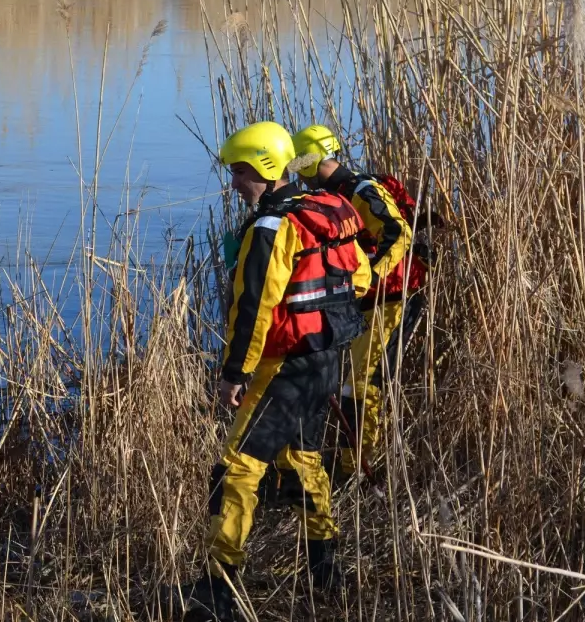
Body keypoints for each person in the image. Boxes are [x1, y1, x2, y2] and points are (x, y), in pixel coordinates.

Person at [182, 122, 372, 619]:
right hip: (325, 360)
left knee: (236, 468)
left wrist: (233, 374)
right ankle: (325, 569)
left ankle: (215, 592)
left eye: (240, 173)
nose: (234, 184)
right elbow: (364, 276)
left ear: (265, 169)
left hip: (282, 366)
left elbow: (254, 307)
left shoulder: (272, 228)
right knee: (305, 459)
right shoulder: (330, 211)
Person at [291, 124, 425, 482]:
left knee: (362, 383)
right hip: (367, 302)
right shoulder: (337, 192)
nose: (300, 177)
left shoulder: (361, 190)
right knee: (352, 381)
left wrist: (370, 280)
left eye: (301, 164)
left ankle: (358, 470)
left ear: (312, 160)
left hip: (390, 299)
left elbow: (398, 234)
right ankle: (352, 462)